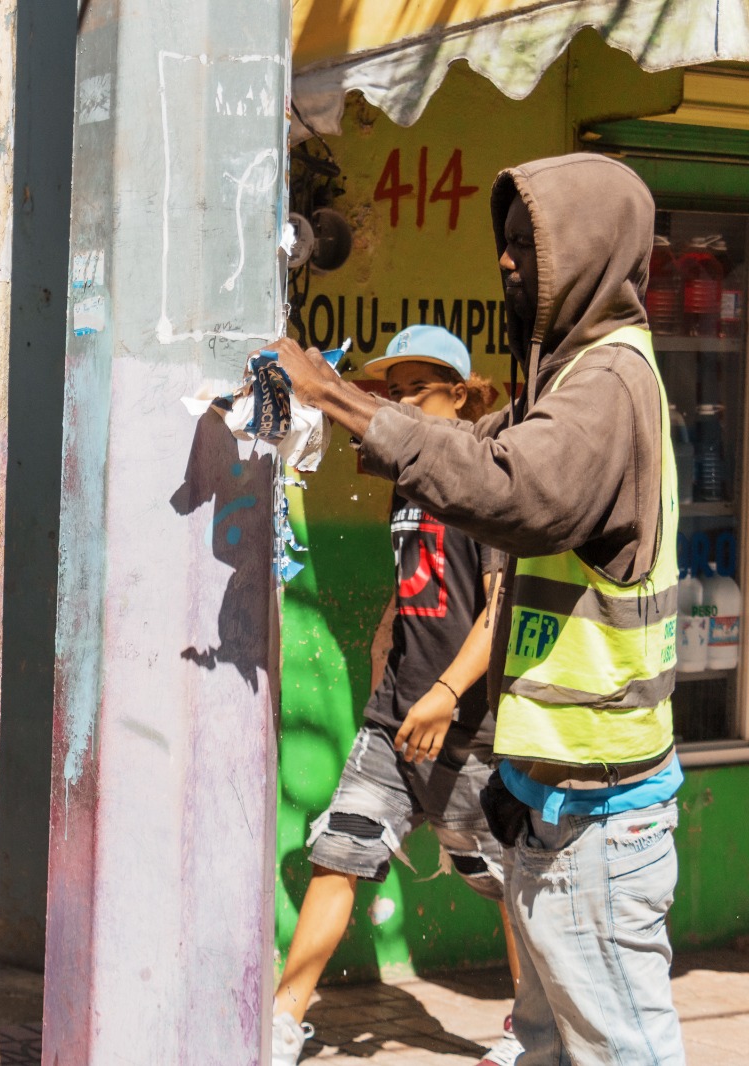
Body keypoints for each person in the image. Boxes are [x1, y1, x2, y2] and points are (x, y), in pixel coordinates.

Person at [277, 154, 685, 1065]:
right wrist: (352, 407)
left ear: (586, 254)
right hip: (547, 789)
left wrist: (339, 398)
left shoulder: (609, 384)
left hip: (598, 800)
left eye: (525, 247)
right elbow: (474, 451)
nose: (505, 265)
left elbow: (513, 489)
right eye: (503, 246)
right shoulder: (567, 381)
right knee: (549, 1046)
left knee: (618, 1050)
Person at [272, 326, 522, 1066]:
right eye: (393, 387)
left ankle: (531, 1026)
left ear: (459, 393)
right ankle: (285, 1021)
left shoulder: (486, 479)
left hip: (468, 724)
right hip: (394, 717)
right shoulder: (408, 481)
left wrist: (447, 693)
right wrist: (388, 633)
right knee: (342, 850)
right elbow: (418, 576)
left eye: (416, 385)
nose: (401, 399)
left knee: (507, 877)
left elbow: (498, 605)